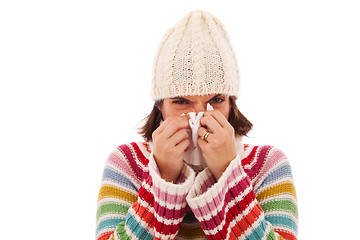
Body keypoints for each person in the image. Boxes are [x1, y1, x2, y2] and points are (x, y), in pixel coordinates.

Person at [95, 10, 298, 240]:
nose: (200, 115)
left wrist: (227, 173)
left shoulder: (268, 166)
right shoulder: (126, 164)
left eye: (216, 100)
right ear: (160, 106)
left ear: (232, 103)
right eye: (182, 101)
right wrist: (162, 178)